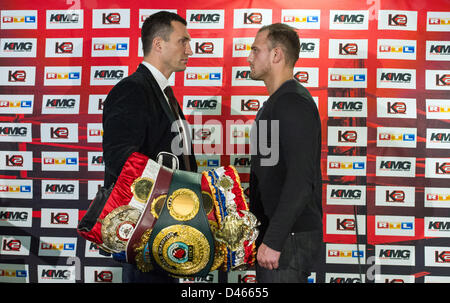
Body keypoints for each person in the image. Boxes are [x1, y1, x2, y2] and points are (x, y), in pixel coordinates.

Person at [101, 11, 197, 283]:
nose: (190, 49)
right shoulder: (132, 89)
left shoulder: (164, 92)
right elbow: (119, 159)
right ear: (158, 44)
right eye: (183, 41)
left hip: (167, 230)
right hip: (144, 231)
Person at [248, 23, 323, 283]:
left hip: (288, 240)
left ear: (276, 55)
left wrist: (275, 239)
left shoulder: (293, 102)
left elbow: (301, 180)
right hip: (278, 236)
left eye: (255, 50)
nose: (249, 57)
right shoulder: (278, 101)